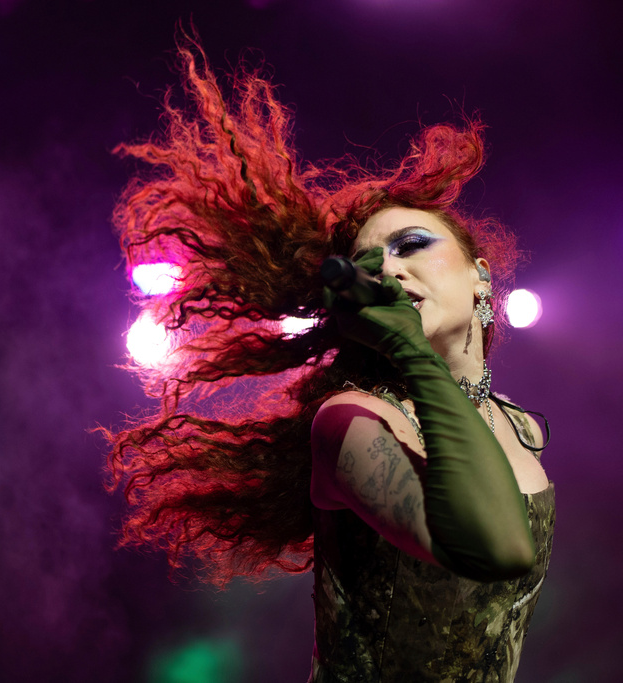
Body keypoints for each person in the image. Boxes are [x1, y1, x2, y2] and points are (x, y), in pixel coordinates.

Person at [105, 37, 552, 682]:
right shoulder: (351, 425)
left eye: (413, 244)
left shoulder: (520, 428)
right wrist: (404, 347)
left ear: (482, 278)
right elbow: (499, 548)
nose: (393, 269)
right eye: (375, 263)